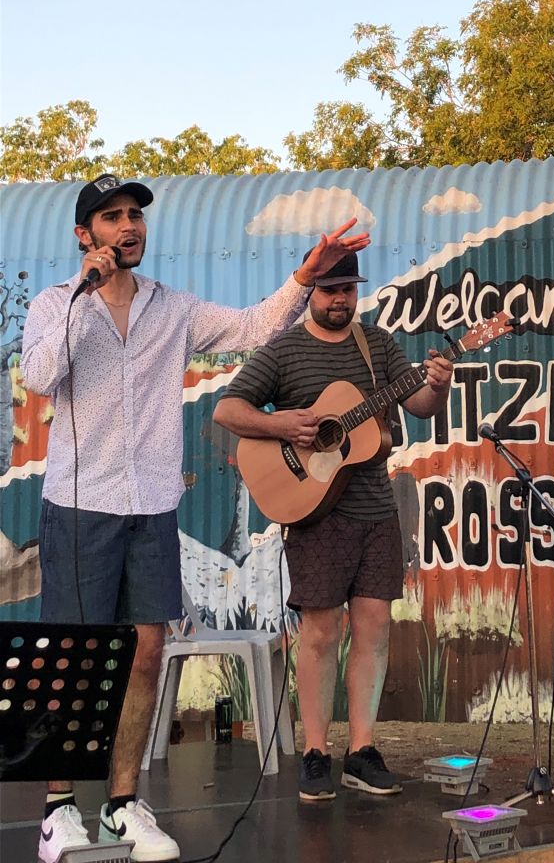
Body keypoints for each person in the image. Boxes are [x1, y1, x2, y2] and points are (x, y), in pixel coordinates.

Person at [21, 173, 369, 863]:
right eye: (112, 217)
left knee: (146, 653)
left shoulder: (170, 308)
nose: (129, 227)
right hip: (80, 506)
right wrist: (81, 299)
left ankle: (124, 802)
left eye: (135, 217)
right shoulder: (55, 305)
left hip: (150, 507)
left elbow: (249, 330)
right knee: (78, 657)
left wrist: (303, 278)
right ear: (84, 234)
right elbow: (38, 377)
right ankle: (60, 806)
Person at [212, 248, 452, 802]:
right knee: (321, 635)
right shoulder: (285, 350)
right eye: (330, 290)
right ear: (311, 294)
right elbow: (228, 410)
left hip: (375, 511)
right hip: (316, 517)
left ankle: (362, 752)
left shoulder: (378, 347)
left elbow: (418, 404)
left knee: (374, 629)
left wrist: (437, 383)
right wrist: (281, 424)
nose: (341, 299)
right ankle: (317, 752)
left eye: (348, 289)